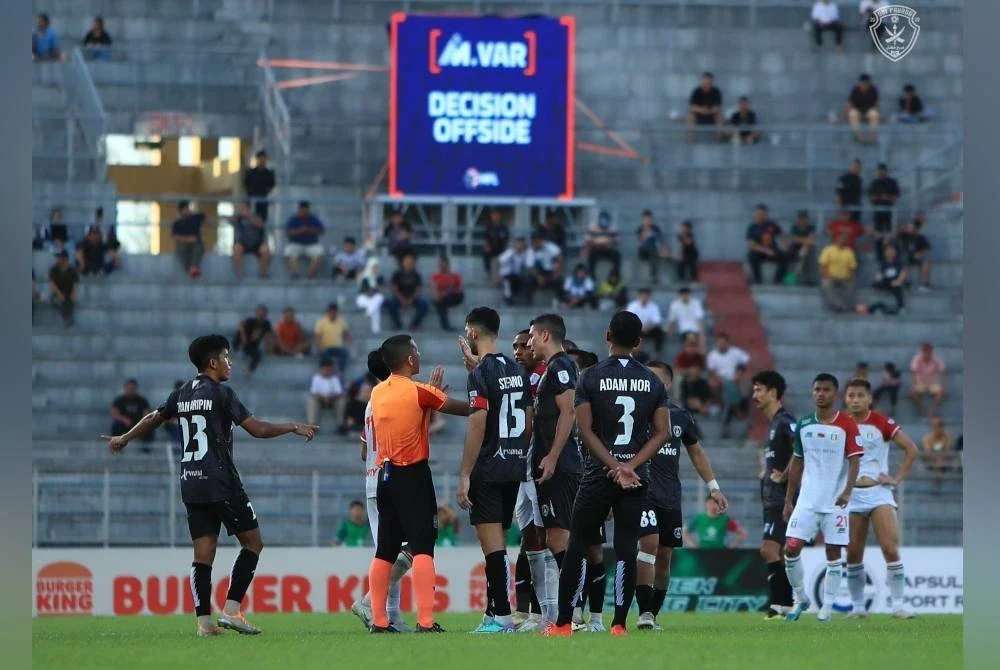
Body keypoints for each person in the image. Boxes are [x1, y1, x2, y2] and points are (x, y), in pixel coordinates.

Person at [102, 334, 319, 637]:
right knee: (253, 542)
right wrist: (293, 426)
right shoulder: (222, 393)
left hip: (190, 483)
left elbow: (154, 417)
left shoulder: (181, 394)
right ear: (213, 362)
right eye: (227, 357)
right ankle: (231, 611)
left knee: (203, 553)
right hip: (221, 481)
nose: (231, 363)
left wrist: (124, 437)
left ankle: (204, 623)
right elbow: (257, 429)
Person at [543, 311, 671, 637]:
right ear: (639, 342)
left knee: (578, 545)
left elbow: (584, 429)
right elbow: (662, 433)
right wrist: (630, 466)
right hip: (636, 476)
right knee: (627, 547)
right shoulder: (653, 381)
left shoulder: (589, 376)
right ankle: (618, 625)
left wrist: (613, 466)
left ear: (607, 336)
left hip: (598, 473)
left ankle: (562, 625)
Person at [366, 334, 470, 634]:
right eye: (417, 351)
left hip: (384, 477)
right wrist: (481, 402)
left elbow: (411, 412)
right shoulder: (418, 391)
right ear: (410, 359)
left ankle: (379, 620)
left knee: (384, 549)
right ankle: (425, 621)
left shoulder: (376, 393)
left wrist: (428, 400)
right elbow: (461, 408)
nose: (420, 354)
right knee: (423, 546)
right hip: (413, 475)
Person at [456, 307, 533, 633]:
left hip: (488, 467)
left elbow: (477, 422)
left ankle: (501, 616)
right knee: (498, 541)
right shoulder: (516, 369)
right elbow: (528, 418)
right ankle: (493, 613)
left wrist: (464, 474)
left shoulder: (480, 374)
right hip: (513, 465)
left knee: (492, 546)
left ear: (473, 333)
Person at [635, 361, 727, 631]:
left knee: (664, 556)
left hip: (670, 496)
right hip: (642, 492)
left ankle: (652, 613)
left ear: (666, 384)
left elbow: (696, 452)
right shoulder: (633, 413)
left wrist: (714, 487)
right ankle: (643, 612)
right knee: (649, 545)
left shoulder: (680, 416)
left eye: (652, 378)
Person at [782, 373, 863, 623]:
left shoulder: (847, 424)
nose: (820, 393)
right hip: (807, 500)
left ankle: (827, 607)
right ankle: (801, 598)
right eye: (817, 389)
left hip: (835, 502)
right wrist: (788, 499)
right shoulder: (804, 424)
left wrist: (848, 491)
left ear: (835, 394)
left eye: (826, 390)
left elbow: (855, 460)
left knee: (833, 553)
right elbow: (797, 462)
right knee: (791, 548)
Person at [843, 378, 919, 619]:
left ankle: (898, 606)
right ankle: (857, 608)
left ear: (869, 399)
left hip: (878, 492)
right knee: (854, 553)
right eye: (851, 396)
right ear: (846, 399)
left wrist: (897, 478)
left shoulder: (881, 422)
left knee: (889, 547)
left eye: (859, 396)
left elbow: (911, 448)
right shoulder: (839, 424)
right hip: (851, 496)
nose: (855, 400)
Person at [350, 350, 415, 632]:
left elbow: (364, 449)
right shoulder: (393, 396)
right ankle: (368, 602)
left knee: (388, 552)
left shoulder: (371, 400)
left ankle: (390, 617)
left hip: (372, 481)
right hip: (393, 480)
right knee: (413, 545)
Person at [527, 315, 586, 605]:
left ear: (546, 336)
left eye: (532, 336)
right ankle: (571, 609)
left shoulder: (561, 365)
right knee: (554, 537)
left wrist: (551, 456)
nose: (529, 342)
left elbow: (569, 411)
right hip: (553, 464)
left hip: (561, 465)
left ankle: (573, 610)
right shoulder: (553, 367)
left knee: (560, 538)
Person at [750, 371, 797, 620]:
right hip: (772, 500)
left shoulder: (785, 421)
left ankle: (781, 603)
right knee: (775, 551)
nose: (754, 395)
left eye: (759, 389)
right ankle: (784, 604)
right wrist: (767, 472)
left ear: (773, 392)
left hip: (783, 500)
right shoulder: (773, 425)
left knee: (769, 550)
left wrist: (786, 474)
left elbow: (803, 447)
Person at [386, 253, 430, 331]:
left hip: (413, 298)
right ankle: (397, 324)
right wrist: (402, 299)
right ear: (403, 262)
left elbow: (418, 289)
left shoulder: (416, 274)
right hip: (399, 297)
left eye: (411, 262)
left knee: (424, 305)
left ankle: (415, 324)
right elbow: (394, 288)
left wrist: (411, 299)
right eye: (407, 262)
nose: (409, 263)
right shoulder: (397, 274)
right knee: (390, 304)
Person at [745, 204, 787, 284]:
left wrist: (783, 246)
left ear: (765, 215)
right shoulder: (752, 227)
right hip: (760, 252)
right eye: (757, 214)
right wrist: (765, 250)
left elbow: (782, 235)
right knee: (752, 255)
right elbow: (751, 244)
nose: (759, 216)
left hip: (772, 251)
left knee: (785, 256)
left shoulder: (771, 225)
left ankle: (778, 280)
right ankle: (758, 280)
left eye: (761, 214)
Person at [819, 231, 859, 313]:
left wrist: (850, 277)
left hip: (845, 278)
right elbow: (823, 266)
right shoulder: (828, 250)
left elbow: (852, 268)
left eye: (845, 238)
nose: (843, 240)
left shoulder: (849, 252)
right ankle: (839, 305)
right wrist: (827, 277)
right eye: (841, 238)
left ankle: (848, 307)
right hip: (830, 277)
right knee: (826, 284)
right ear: (836, 238)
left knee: (852, 284)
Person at [283, 202, 325, 279]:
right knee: (288, 252)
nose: (304, 212)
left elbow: (321, 231)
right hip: (296, 243)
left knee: (319, 253)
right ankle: (296, 274)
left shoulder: (313, 219)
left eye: (306, 210)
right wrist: (299, 231)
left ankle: (310, 275)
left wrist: (309, 230)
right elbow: (288, 233)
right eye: (302, 210)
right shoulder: (293, 219)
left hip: (312, 244)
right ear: (299, 209)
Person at [230, 201, 271, 280]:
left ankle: (263, 273)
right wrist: (237, 218)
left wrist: (250, 218)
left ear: (248, 208)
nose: (242, 209)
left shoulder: (256, 216)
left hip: (257, 243)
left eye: (243, 207)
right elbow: (229, 219)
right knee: (237, 248)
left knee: (265, 250)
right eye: (241, 208)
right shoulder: (238, 218)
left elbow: (260, 225)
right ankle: (239, 274)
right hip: (244, 243)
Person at [706, 332, 751, 401]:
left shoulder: (736, 351)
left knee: (746, 385)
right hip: (720, 380)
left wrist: (739, 373)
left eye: (723, 342)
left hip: (736, 378)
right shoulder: (712, 355)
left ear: (727, 343)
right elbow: (712, 371)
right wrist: (722, 381)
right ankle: (720, 406)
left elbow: (745, 361)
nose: (721, 344)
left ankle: (740, 407)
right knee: (713, 385)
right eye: (719, 342)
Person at [525, 231, 564, 306]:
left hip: (550, 272)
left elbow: (559, 257)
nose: (537, 243)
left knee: (559, 280)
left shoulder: (550, 247)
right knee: (528, 280)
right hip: (538, 273)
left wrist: (557, 273)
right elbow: (530, 267)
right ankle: (528, 302)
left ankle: (560, 301)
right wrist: (538, 277)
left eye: (539, 240)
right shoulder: (530, 251)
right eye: (535, 241)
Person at [110, 379, 153, 447]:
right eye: (130, 388)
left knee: (150, 426)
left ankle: (146, 449)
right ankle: (116, 445)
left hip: (138, 423)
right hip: (124, 423)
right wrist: (124, 420)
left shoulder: (142, 400)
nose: (131, 390)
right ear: (125, 388)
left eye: (133, 388)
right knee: (116, 425)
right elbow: (114, 414)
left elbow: (146, 414)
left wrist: (140, 423)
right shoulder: (119, 400)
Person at [909, 342, 946, 417]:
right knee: (913, 394)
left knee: (941, 392)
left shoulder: (935, 359)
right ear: (922, 352)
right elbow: (913, 373)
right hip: (920, 384)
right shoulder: (917, 359)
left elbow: (943, 371)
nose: (927, 354)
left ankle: (931, 410)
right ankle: (921, 410)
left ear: (931, 352)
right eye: (925, 351)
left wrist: (943, 386)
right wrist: (913, 387)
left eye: (928, 351)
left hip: (932, 384)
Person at [896, 216, 933, 291]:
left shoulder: (921, 238)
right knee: (903, 257)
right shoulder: (902, 236)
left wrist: (919, 253)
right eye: (907, 227)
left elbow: (927, 249)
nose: (909, 228)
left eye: (911, 227)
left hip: (917, 258)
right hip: (905, 257)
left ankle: (924, 284)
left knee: (926, 258)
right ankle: (904, 281)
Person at [313, 303, 352, 375]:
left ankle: (341, 372)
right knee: (325, 355)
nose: (333, 314)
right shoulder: (321, 322)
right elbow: (317, 336)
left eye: (335, 312)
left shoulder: (341, 321)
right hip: (326, 348)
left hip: (337, 348)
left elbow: (346, 333)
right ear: (328, 312)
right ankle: (330, 372)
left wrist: (350, 341)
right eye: (331, 312)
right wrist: (320, 346)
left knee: (345, 353)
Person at [625, 288, 665, 356]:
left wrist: (648, 327)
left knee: (659, 332)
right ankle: (630, 352)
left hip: (649, 329)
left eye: (646, 296)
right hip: (636, 329)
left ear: (649, 296)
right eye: (643, 296)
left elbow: (657, 320)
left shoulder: (653, 306)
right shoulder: (633, 305)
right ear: (639, 296)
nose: (644, 298)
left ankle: (658, 352)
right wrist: (640, 327)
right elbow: (629, 319)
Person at [234, 305, 274, 374]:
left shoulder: (266, 324)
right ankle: (241, 353)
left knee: (258, 354)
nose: (261, 315)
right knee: (256, 354)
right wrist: (243, 342)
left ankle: (250, 371)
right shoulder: (250, 321)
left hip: (253, 345)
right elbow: (240, 328)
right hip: (242, 343)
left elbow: (269, 336)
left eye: (263, 313)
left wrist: (269, 349)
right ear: (256, 313)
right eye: (259, 312)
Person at [172, 201, 206, 279]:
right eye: (185, 208)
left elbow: (206, 218)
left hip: (196, 243)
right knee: (181, 250)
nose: (187, 210)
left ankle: (193, 267)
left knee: (198, 248)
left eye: (188, 208)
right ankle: (191, 269)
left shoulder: (195, 218)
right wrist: (188, 239)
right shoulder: (177, 223)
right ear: (181, 211)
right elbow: (175, 237)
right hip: (183, 244)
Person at [686, 72, 723, 142]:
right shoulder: (696, 91)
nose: (707, 82)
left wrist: (708, 111)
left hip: (712, 115)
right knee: (690, 117)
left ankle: (719, 139)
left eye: (709, 80)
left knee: (719, 117)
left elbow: (717, 107)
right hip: (699, 115)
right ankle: (691, 139)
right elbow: (692, 107)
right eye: (705, 80)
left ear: (712, 81)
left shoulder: (716, 92)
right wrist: (702, 110)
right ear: (702, 80)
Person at [430, 257, 464, 330]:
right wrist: (439, 295)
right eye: (441, 266)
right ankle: (446, 326)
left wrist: (447, 292)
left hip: (452, 297)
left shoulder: (455, 276)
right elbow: (434, 289)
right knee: (439, 303)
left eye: (445, 266)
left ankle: (446, 326)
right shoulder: (435, 276)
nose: (443, 268)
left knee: (444, 300)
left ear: (448, 266)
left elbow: (459, 289)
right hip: (442, 298)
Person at [584, 211, 622, 279]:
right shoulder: (593, 228)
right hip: (596, 249)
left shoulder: (612, 229)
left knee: (617, 254)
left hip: (608, 250)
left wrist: (610, 241)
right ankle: (591, 275)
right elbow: (588, 240)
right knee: (591, 254)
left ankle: (616, 274)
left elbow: (618, 240)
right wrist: (597, 243)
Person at [307, 359, 344, 427]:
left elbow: (339, 393)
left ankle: (341, 424)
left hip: (332, 400)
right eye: (325, 369)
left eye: (329, 369)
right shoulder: (316, 378)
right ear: (321, 369)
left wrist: (330, 398)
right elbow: (313, 393)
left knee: (341, 401)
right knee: (312, 401)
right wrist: (323, 398)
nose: (327, 371)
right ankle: (312, 424)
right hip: (320, 400)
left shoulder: (335, 379)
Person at [636, 210, 668, 285]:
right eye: (646, 219)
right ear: (643, 219)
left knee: (657, 253)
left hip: (654, 251)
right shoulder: (640, 229)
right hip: (643, 252)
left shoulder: (655, 228)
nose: (648, 220)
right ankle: (653, 276)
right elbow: (641, 241)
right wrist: (646, 229)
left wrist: (664, 250)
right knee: (652, 251)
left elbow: (661, 240)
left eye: (649, 219)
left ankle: (655, 276)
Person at [873, 244, 907, 314]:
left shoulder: (898, 262)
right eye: (887, 251)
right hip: (887, 282)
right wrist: (878, 278)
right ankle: (879, 307)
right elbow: (880, 273)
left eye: (891, 251)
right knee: (877, 283)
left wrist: (898, 281)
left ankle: (901, 307)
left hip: (896, 281)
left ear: (895, 252)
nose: (889, 252)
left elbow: (904, 272)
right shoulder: (884, 263)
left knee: (897, 288)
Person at [846, 74, 880, 144]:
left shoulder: (873, 90)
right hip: (858, 111)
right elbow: (850, 104)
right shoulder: (855, 90)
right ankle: (859, 136)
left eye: (866, 83)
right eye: (863, 83)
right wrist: (841, 117)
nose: (864, 84)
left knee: (874, 114)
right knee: (852, 114)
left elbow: (876, 104)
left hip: (868, 111)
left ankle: (872, 136)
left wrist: (879, 114)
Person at [48, 250, 79, 328]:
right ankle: (67, 319)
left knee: (69, 301)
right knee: (62, 300)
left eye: (60, 258)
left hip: (68, 294)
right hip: (57, 294)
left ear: (65, 259)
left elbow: (75, 284)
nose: (58, 260)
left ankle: (67, 319)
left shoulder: (72, 270)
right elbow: (52, 284)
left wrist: (74, 294)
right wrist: (59, 294)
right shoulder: (54, 269)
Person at [788, 211, 819, 286]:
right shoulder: (794, 227)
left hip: (808, 249)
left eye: (803, 219)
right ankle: (795, 275)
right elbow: (793, 239)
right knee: (801, 253)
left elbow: (812, 240)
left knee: (805, 251)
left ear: (807, 219)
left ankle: (795, 275)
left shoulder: (811, 228)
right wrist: (805, 240)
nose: (801, 220)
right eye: (800, 218)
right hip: (795, 248)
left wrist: (803, 241)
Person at [243, 150, 275, 222]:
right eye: (261, 158)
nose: (263, 160)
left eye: (264, 158)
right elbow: (246, 185)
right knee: (249, 220)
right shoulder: (250, 173)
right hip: (251, 200)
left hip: (262, 200)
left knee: (261, 222)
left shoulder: (269, 173)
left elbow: (271, 186)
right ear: (257, 159)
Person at [869, 163, 901, 235]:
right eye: (880, 170)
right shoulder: (874, 183)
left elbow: (896, 197)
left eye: (883, 170)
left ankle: (889, 245)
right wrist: (881, 197)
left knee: (890, 232)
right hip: (877, 211)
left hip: (889, 211)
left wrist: (887, 197)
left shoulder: (892, 182)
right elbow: (871, 198)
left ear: (887, 171)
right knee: (877, 233)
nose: (881, 172)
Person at [482, 208, 510, 284]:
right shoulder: (488, 226)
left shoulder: (504, 227)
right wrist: (487, 246)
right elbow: (485, 238)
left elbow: (506, 239)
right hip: (491, 249)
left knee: (506, 256)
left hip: (501, 249)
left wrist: (506, 249)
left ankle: (502, 276)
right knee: (486, 253)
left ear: (500, 216)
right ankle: (490, 274)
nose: (495, 216)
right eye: (493, 215)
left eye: (496, 215)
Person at [498, 236, 529, 306]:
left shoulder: (525, 254)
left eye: (522, 244)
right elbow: (501, 260)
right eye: (519, 244)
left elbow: (527, 265)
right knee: (508, 280)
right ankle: (508, 298)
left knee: (526, 280)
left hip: (517, 275)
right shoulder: (510, 251)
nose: (520, 245)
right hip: (507, 274)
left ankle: (525, 300)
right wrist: (513, 252)